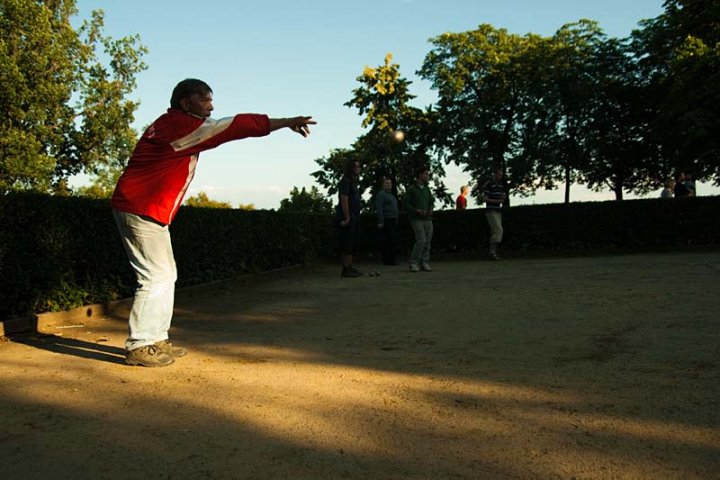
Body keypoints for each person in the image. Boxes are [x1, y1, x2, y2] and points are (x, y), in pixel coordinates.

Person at [111, 78, 316, 367]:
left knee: (166, 274)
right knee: (155, 277)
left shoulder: (172, 122)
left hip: (144, 207)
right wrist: (284, 122)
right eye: (205, 99)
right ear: (186, 102)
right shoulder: (181, 126)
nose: (212, 106)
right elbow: (234, 126)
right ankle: (140, 344)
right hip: (140, 207)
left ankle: (155, 338)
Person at [404, 167, 435, 272]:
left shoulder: (427, 189)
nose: (427, 176)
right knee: (421, 240)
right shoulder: (412, 189)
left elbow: (431, 201)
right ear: (420, 175)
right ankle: (413, 262)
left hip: (428, 218)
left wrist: (431, 209)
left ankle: (424, 261)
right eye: (426, 174)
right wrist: (416, 211)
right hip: (416, 219)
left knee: (428, 242)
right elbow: (405, 204)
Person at [337, 159, 363, 277]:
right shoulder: (345, 181)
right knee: (347, 242)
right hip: (349, 215)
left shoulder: (353, 182)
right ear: (352, 168)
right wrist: (347, 217)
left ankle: (350, 267)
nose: (359, 168)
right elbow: (344, 199)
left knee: (353, 242)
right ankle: (345, 268)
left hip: (355, 214)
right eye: (357, 166)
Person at [482, 167, 506, 260]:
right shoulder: (489, 184)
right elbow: (485, 198)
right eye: (499, 174)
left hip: (497, 210)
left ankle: (493, 252)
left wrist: (502, 198)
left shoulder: (501, 185)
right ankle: (492, 252)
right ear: (494, 174)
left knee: (495, 231)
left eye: (501, 175)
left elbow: (503, 197)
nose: (500, 176)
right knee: (498, 229)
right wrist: (497, 201)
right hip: (491, 210)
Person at [376, 177, 399, 265]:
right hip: (386, 219)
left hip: (393, 219)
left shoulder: (391, 195)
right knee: (389, 239)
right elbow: (379, 208)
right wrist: (381, 221)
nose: (388, 185)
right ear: (383, 184)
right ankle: (388, 259)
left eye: (389, 183)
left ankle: (391, 258)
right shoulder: (381, 194)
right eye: (386, 183)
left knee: (393, 239)